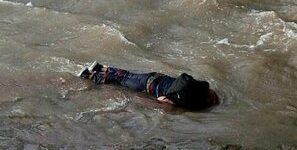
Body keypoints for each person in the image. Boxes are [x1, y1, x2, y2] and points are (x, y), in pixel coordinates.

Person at [78, 61, 219, 110]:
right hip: (148, 85)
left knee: (127, 74)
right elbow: (161, 100)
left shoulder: (199, 86)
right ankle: (89, 75)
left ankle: (101, 67)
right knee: (121, 81)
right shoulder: (186, 100)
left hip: (155, 76)